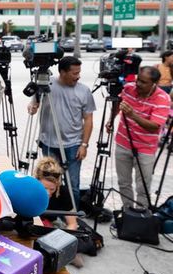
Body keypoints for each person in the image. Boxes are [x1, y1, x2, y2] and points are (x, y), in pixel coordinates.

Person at [28, 56, 95, 208]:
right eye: (74, 73)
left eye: (79, 72)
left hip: (73, 145)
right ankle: (48, 214)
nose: (78, 76)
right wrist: (32, 107)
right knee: (49, 183)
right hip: (49, 143)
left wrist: (84, 144)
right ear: (62, 72)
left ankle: (73, 218)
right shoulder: (46, 84)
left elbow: (89, 120)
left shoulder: (84, 90)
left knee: (73, 185)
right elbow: (34, 104)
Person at [106, 66, 170, 209]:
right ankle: (128, 214)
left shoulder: (162, 98)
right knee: (123, 182)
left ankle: (141, 216)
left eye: (143, 82)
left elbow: (154, 126)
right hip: (123, 142)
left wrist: (132, 115)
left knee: (143, 187)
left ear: (154, 83)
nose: (138, 84)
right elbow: (118, 102)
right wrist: (111, 119)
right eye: (138, 80)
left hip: (145, 148)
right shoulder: (129, 88)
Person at [34, 157, 83, 267]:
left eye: (52, 189)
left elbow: (72, 223)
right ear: (37, 181)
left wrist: (60, 242)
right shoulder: (30, 188)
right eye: (44, 188)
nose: (47, 193)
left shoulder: (64, 192)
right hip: (33, 222)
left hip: (52, 225)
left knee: (79, 262)